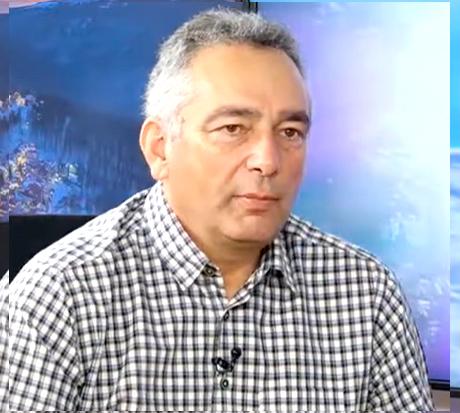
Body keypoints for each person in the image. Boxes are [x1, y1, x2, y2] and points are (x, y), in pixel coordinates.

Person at [0, 7, 434, 412]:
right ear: (159, 148)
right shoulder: (59, 296)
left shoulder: (367, 296)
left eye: (290, 132)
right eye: (233, 128)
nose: (268, 160)